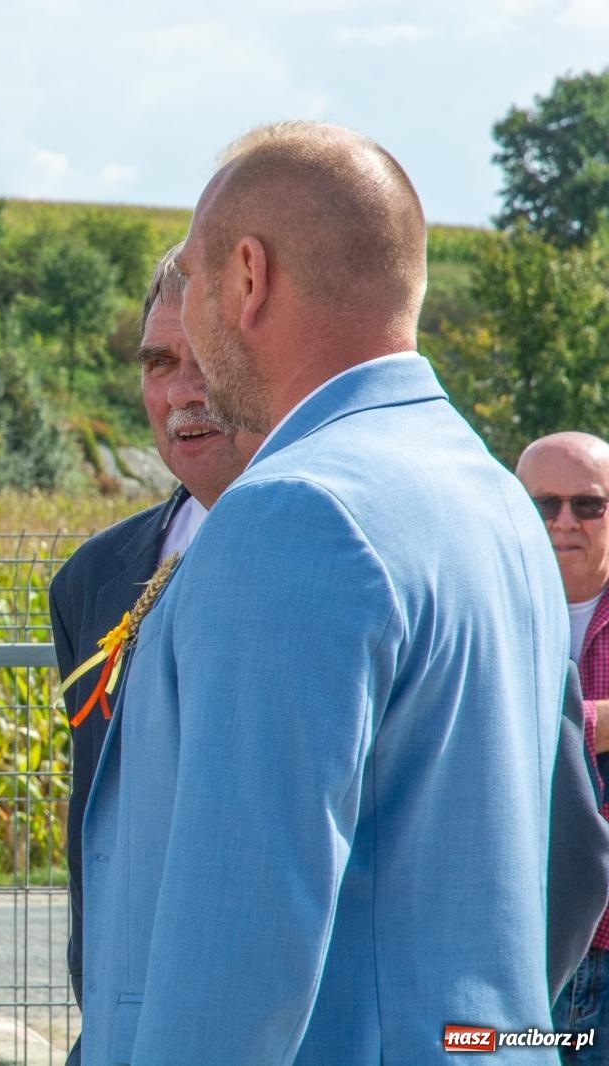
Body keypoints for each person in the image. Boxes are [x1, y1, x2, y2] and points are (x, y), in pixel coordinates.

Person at [80, 121, 568, 1063]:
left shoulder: (297, 511)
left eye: (194, 279)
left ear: (248, 277)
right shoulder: (494, 496)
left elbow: (239, 957)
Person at [48, 242, 261, 1063]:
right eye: (158, 361)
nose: (181, 393)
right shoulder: (94, 580)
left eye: (208, 362)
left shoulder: (347, 551)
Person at [519, 431, 609, 1061]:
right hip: (511, 946)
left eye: (588, 504)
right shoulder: (485, 604)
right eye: (542, 504)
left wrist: (543, 722)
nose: (563, 522)